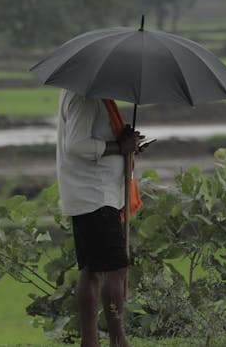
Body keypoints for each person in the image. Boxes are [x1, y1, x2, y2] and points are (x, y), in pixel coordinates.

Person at [55, 88, 145, 347]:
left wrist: (125, 142)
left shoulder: (86, 93)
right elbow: (76, 144)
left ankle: (91, 341)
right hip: (96, 195)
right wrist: (120, 146)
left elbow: (90, 136)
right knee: (116, 268)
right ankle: (118, 339)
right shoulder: (85, 96)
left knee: (91, 270)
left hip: (93, 193)